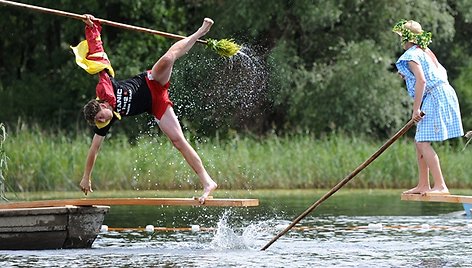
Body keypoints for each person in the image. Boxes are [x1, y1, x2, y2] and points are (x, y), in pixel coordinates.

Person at [74, 14, 217, 203]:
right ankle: (208, 182)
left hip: (151, 81)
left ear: (102, 104)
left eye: (101, 117)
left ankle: (200, 31)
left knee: (167, 58)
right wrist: (86, 176)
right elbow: (94, 149)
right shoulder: (106, 122)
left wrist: (91, 27)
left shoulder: (106, 87)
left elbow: (97, 53)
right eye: (100, 121)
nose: (103, 121)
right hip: (156, 104)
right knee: (178, 141)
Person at [392, 20, 464, 195]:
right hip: (442, 93)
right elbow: (431, 73)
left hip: (436, 96)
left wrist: (415, 109)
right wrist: (408, 77)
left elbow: (423, 81)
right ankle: (423, 185)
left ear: (405, 39)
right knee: (420, 141)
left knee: (422, 142)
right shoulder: (425, 51)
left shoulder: (410, 55)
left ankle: (440, 186)